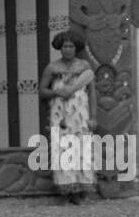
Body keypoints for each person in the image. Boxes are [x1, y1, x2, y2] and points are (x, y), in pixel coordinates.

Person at [38, 29, 96, 204]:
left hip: (80, 113)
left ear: (76, 48)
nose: (68, 50)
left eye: (71, 46)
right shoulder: (53, 67)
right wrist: (57, 92)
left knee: (82, 148)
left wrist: (93, 117)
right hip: (60, 114)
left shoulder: (84, 67)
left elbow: (92, 93)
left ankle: (81, 189)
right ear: (59, 48)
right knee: (63, 148)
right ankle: (66, 189)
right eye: (64, 46)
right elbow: (42, 91)